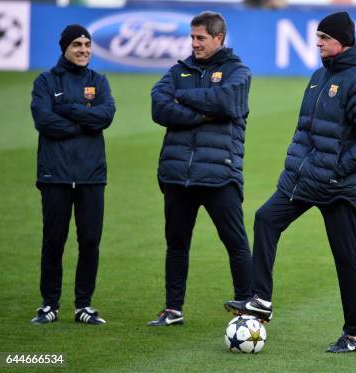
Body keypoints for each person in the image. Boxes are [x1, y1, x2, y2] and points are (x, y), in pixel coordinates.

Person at [225, 11, 356, 352]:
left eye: (324, 38)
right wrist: (299, 167)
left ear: (342, 42)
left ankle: (353, 335)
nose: (318, 43)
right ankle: (261, 300)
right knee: (266, 219)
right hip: (304, 179)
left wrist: (336, 169)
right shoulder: (319, 76)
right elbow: (307, 130)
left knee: (346, 262)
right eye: (317, 36)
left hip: (338, 186)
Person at [148, 11, 253, 326]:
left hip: (220, 173)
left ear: (218, 38)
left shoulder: (238, 72)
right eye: (192, 38)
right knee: (177, 244)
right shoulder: (178, 71)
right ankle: (172, 310)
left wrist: (182, 99)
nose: (194, 44)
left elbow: (225, 103)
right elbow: (158, 105)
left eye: (200, 38)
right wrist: (200, 112)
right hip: (178, 173)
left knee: (235, 243)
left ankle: (249, 309)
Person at [30, 24, 116, 325]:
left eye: (87, 44)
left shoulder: (99, 81)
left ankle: (83, 305)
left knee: (90, 241)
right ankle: (49, 304)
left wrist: (66, 109)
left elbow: (106, 115)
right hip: (55, 174)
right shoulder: (45, 81)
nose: (84, 50)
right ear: (64, 47)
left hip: (92, 175)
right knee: (54, 240)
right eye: (77, 44)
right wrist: (84, 122)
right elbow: (44, 121)